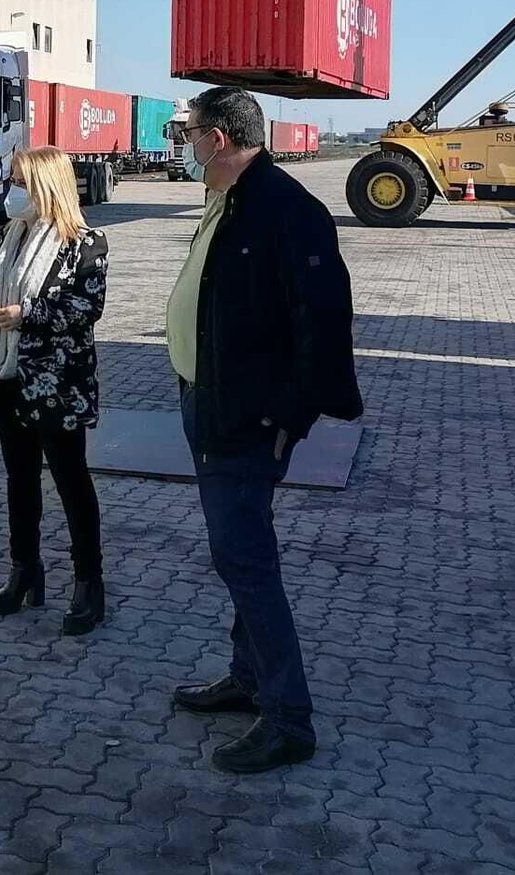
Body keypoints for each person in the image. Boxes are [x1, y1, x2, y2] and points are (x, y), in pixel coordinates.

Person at [165, 86, 362, 774]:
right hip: (210, 402)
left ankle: (288, 718)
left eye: (187, 130)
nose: (182, 142)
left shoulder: (284, 207)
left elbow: (325, 320)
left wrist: (288, 416)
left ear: (217, 137)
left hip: (248, 418)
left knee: (245, 559)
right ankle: (248, 677)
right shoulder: (229, 199)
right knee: (238, 552)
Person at [0, 146, 110, 635]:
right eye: (11, 181)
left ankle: (89, 583)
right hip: (7, 378)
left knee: (72, 482)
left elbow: (86, 309)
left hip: (57, 385)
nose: (11, 192)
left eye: (19, 183)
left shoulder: (85, 241)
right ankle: (25, 569)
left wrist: (25, 316)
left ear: (46, 187)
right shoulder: (7, 234)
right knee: (20, 478)